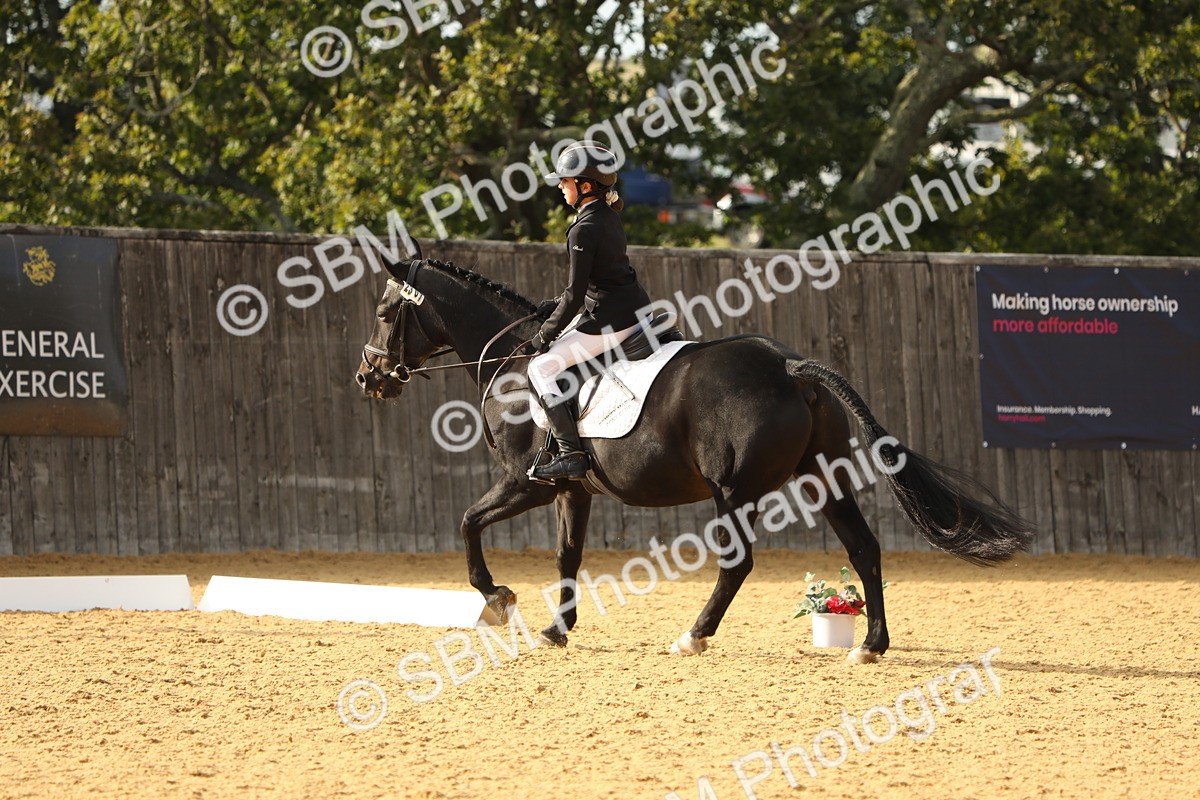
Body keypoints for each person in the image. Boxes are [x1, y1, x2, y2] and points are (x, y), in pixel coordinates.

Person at [527, 140, 652, 481]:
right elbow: (600, 277)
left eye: (565, 182)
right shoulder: (607, 215)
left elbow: (576, 294)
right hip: (634, 306)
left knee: (541, 369)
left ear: (584, 186)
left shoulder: (583, 228)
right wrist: (555, 306)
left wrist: (544, 335)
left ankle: (571, 455)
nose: (560, 188)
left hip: (614, 320)